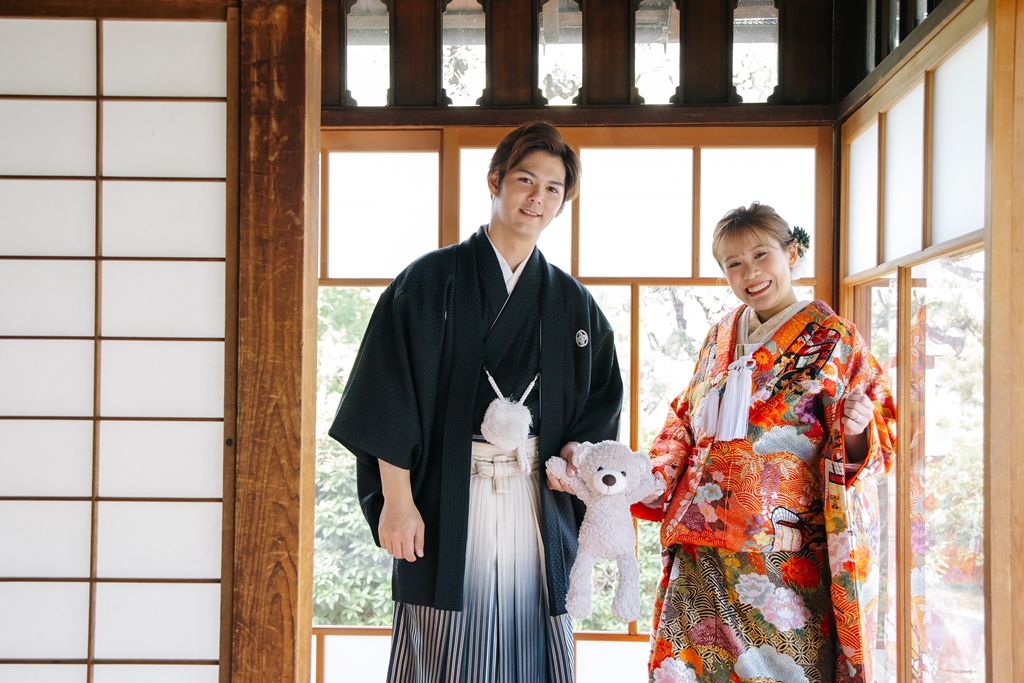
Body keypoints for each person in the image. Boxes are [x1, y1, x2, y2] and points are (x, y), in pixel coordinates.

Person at [329, 121, 622, 683]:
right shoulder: (427, 281)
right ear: (496, 180)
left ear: (563, 202)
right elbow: (388, 394)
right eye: (525, 180)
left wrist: (575, 460)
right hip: (445, 497)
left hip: (535, 497)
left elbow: (596, 409)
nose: (537, 197)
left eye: (553, 188)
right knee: (447, 646)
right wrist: (397, 501)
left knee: (533, 642)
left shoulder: (573, 303)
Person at [632, 202, 896, 683]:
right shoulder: (719, 335)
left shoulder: (834, 338)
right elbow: (685, 417)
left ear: (791, 254)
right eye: (734, 263)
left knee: (786, 668)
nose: (750, 273)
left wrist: (857, 430)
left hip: (783, 549)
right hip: (702, 540)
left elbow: (880, 435)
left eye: (761, 255)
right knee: (693, 667)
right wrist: (654, 476)